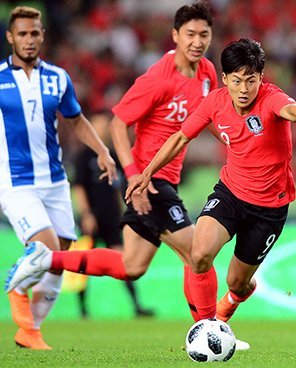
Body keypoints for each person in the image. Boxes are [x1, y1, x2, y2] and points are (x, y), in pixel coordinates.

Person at [4, 2, 257, 348]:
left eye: (204, 34)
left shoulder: (209, 73)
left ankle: (45, 259)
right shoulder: (157, 78)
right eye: (190, 34)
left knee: (131, 265)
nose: (197, 42)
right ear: (175, 36)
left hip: (165, 178)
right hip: (152, 181)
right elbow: (120, 123)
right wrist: (135, 175)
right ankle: (208, 332)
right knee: (197, 252)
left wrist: (237, 141)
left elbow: (206, 118)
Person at [124, 38, 296, 323]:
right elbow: (180, 138)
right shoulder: (215, 102)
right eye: (236, 81)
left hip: (268, 209)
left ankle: (232, 301)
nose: (244, 89)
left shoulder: (272, 97)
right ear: (224, 79)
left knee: (237, 283)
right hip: (231, 194)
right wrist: (147, 172)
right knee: (199, 255)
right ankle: (207, 327)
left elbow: (290, 109)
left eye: (251, 80)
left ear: (261, 77)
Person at [1, 6, 117, 350]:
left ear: (43, 36)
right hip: (15, 181)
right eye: (22, 33)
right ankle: (17, 287)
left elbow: (77, 120)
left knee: (61, 256)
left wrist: (103, 151)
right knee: (47, 247)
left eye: (34, 33)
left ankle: (30, 330)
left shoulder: (58, 77)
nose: (29, 39)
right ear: (10, 37)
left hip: (54, 181)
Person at [72, 113, 154, 318]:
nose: (103, 129)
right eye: (98, 124)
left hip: (112, 218)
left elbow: (119, 189)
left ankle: (137, 305)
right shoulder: (84, 156)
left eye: (105, 125)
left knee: (124, 260)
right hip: (92, 218)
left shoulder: (114, 157)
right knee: (84, 262)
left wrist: (123, 212)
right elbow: (79, 187)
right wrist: (86, 214)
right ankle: (82, 310)